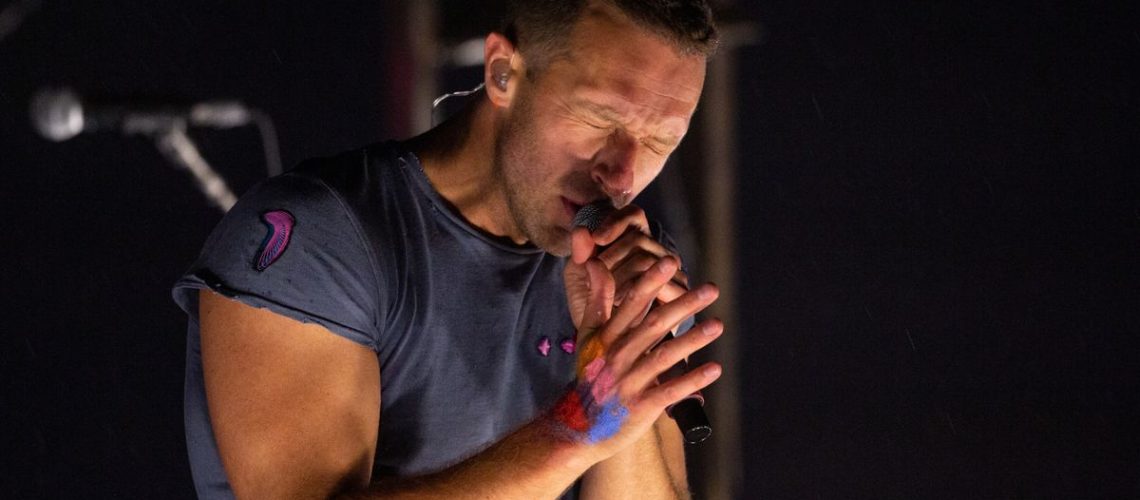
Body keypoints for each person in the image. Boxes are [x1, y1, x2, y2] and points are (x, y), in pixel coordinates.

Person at [173, 1, 722, 498]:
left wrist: (621, 347)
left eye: (659, 142)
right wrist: (578, 427)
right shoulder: (320, 237)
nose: (622, 176)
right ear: (502, 72)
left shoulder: (627, 267)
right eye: (599, 118)